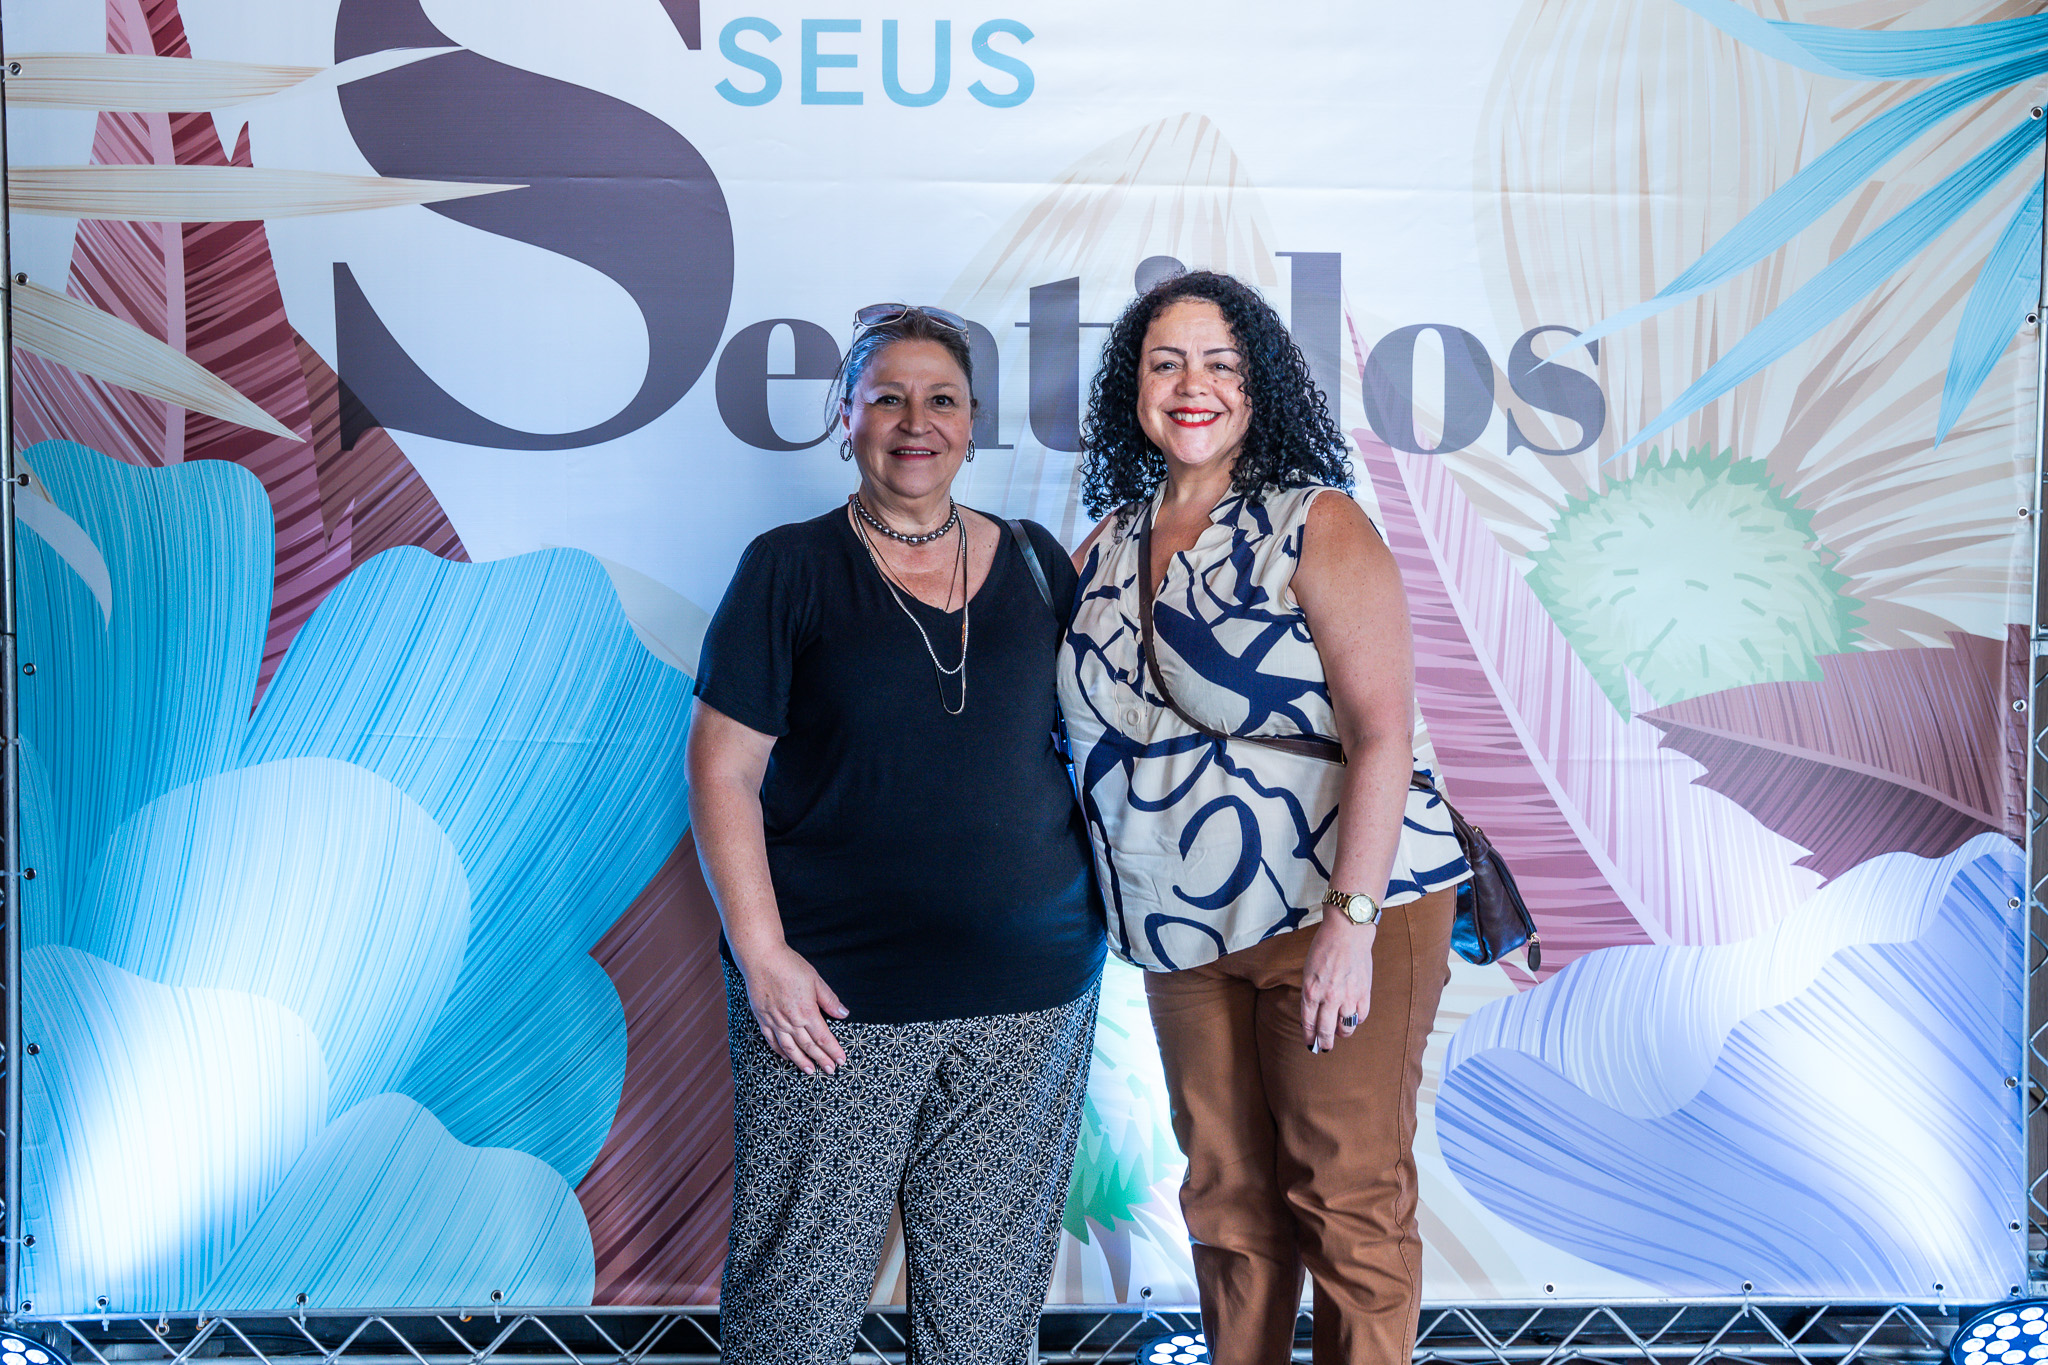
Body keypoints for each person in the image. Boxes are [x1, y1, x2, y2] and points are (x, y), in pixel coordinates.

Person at [1058, 271, 1469, 1365]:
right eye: (1165, 363)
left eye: (1219, 364)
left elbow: (1382, 733)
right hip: (1180, 928)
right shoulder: (1101, 546)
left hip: (1336, 907)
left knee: (1346, 1196)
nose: (1191, 385)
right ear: (1132, 388)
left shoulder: (1315, 524)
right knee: (1225, 1201)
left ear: (1260, 387)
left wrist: (1351, 923)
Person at [688, 303, 1105, 1365]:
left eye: (941, 399)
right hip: (834, 1003)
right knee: (794, 1317)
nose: (915, 422)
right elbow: (723, 771)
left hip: (1027, 997)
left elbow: (1111, 736)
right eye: (887, 398)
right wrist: (762, 956)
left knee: (984, 1327)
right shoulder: (788, 567)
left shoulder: (1036, 564)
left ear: (972, 423)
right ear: (846, 418)